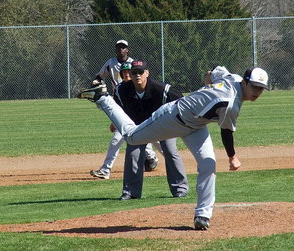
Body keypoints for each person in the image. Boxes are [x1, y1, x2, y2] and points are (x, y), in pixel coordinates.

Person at [77, 65, 269, 230]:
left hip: (196, 126)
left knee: (208, 164)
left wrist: (208, 79)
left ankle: (202, 215)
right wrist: (232, 157)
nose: (257, 92)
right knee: (133, 138)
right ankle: (102, 97)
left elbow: (214, 71)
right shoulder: (230, 104)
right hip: (172, 117)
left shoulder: (233, 78)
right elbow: (226, 133)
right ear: (244, 82)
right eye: (254, 86)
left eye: (261, 88)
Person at [113, 60, 188, 200]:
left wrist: (179, 122)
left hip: (164, 124)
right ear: (129, 74)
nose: (137, 75)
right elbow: (117, 107)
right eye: (134, 72)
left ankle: (180, 189)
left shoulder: (162, 89)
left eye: (140, 72)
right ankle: (130, 192)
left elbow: (182, 101)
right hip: (139, 125)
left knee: (170, 150)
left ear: (147, 73)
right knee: (133, 151)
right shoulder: (121, 90)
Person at [90, 40, 159, 180]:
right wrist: (115, 121)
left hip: (143, 118)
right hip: (128, 119)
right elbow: (117, 108)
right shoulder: (120, 90)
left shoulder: (139, 85)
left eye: (131, 72)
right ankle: (105, 170)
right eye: (125, 73)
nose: (129, 75)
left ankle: (154, 158)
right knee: (118, 140)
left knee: (156, 140)